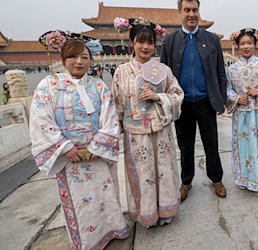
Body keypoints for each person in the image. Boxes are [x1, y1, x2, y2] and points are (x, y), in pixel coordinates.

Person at [29, 31, 129, 249]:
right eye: (73, 57)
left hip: (96, 153)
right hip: (69, 156)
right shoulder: (48, 85)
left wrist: (97, 146)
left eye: (84, 57)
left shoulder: (99, 86)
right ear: (63, 59)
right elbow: (40, 119)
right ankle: (87, 241)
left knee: (104, 194)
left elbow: (110, 118)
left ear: (91, 60)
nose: (79, 61)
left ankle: (111, 229)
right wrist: (65, 148)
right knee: (79, 201)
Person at [111, 17, 184, 227]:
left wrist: (159, 97)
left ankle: (167, 208)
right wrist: (113, 133)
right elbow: (115, 103)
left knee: (163, 171)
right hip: (135, 135)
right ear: (132, 43)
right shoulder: (121, 72)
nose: (145, 47)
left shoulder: (164, 71)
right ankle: (146, 213)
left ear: (155, 44)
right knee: (143, 174)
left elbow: (178, 94)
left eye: (150, 42)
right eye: (140, 42)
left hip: (160, 130)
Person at [160, 0, 228, 202]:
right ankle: (186, 181)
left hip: (206, 102)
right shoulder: (170, 41)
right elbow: (164, 74)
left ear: (199, 12)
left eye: (195, 10)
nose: (191, 14)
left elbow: (220, 71)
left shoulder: (212, 40)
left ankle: (216, 179)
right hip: (182, 104)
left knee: (211, 144)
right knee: (185, 145)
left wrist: (221, 99)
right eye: (187, 10)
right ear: (179, 12)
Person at [226, 28, 258, 192]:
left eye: (249, 42)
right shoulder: (232, 68)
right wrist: (236, 98)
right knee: (242, 144)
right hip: (241, 113)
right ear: (237, 45)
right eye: (242, 43)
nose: (246, 46)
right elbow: (227, 89)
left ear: (255, 44)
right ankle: (243, 176)